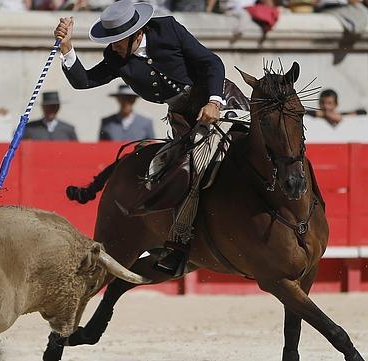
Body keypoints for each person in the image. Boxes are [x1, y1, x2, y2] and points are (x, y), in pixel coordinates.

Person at [54, 0, 248, 277]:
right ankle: (181, 243)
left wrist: (214, 102)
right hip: (184, 119)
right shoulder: (115, 57)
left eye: (119, 41)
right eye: (111, 41)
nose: (114, 47)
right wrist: (66, 47)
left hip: (221, 99)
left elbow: (211, 62)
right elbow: (83, 80)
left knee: (264, 144)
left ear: (137, 33)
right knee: (187, 172)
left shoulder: (166, 29)